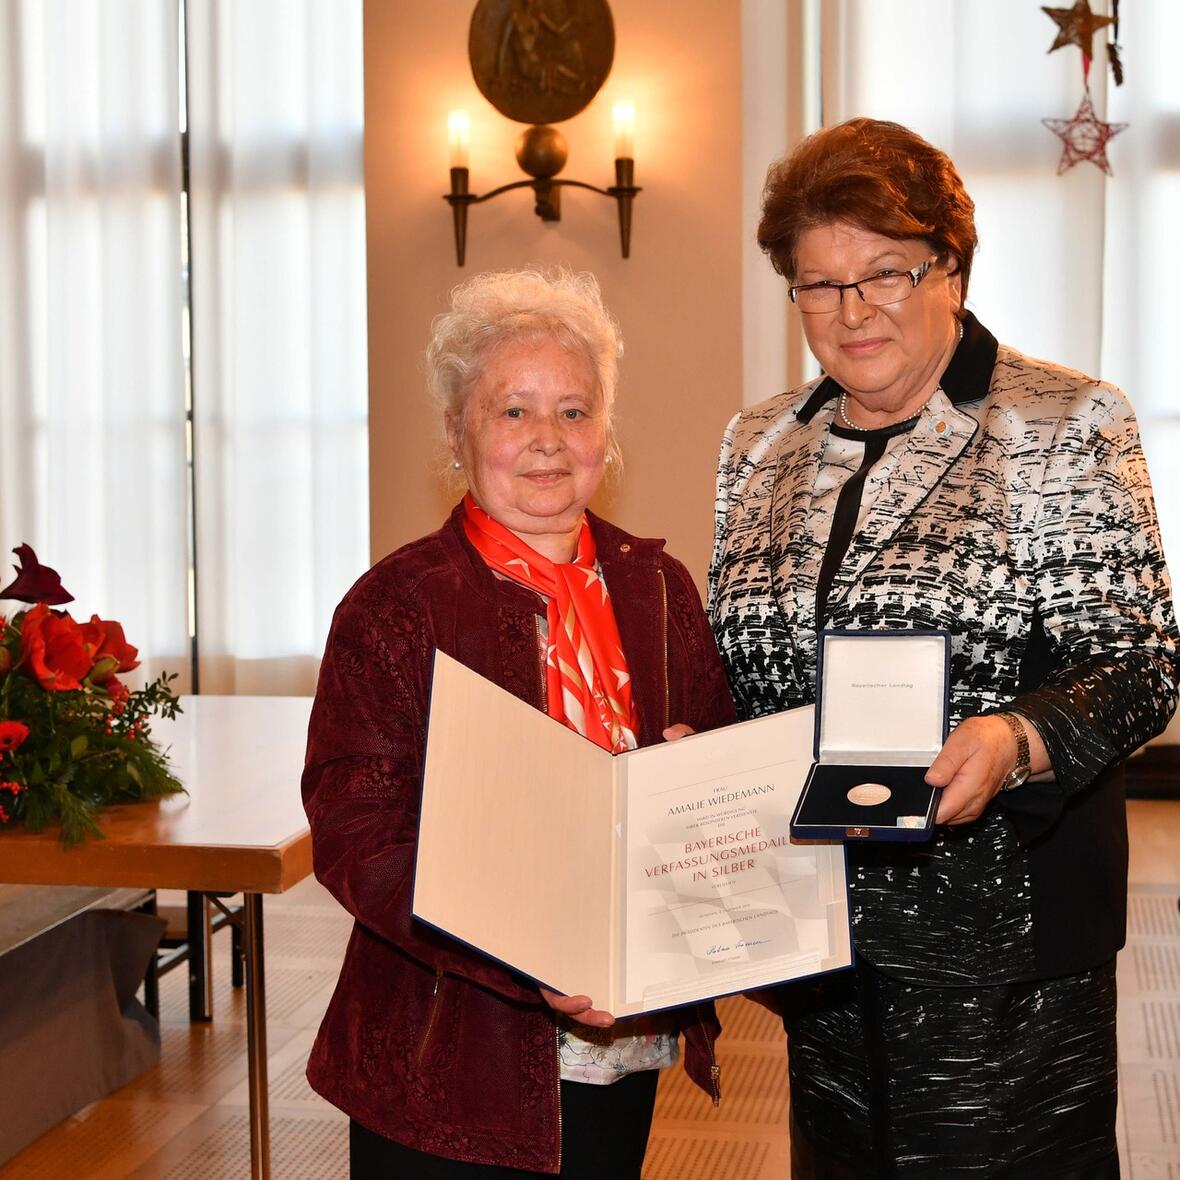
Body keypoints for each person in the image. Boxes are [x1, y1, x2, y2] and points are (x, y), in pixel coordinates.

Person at [708, 118, 1179, 1178]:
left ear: (949, 268)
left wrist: (1017, 738)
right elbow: (741, 661)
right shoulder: (758, 442)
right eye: (816, 283)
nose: (848, 310)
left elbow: (1140, 659)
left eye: (883, 273)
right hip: (819, 932)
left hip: (1001, 949)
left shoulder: (1065, 421)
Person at [303, 268, 735, 1178]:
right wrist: (516, 955)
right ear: (458, 435)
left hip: (621, 1031)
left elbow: (724, 770)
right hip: (445, 1047)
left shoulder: (660, 588)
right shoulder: (396, 607)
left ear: (606, 435)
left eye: (574, 412)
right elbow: (355, 832)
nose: (548, 441)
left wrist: (699, 785)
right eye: (514, 412)